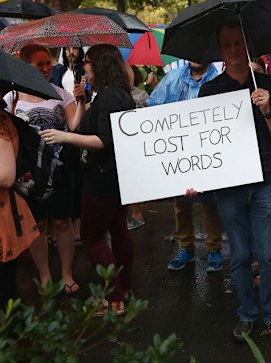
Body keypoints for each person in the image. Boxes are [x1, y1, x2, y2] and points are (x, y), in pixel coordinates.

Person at [196, 21, 271, 343]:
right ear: (221, 50)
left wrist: (266, 109)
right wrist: (194, 179)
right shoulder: (209, 90)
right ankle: (247, 315)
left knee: (268, 255)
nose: (234, 50)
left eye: (239, 43)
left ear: (248, 46)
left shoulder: (266, 84)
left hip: (264, 181)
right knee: (238, 256)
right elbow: (202, 144)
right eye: (227, 44)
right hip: (230, 187)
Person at [41, 44, 136, 315]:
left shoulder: (108, 98)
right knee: (119, 231)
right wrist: (83, 102)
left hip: (102, 179)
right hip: (118, 177)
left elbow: (103, 141)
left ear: (100, 66)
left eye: (89, 63)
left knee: (92, 236)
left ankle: (113, 298)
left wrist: (64, 137)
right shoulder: (117, 94)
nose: (84, 67)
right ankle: (124, 290)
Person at [4, 44, 86, 294]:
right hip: (28, 175)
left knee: (62, 223)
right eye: (39, 65)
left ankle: (67, 273)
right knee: (37, 225)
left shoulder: (62, 94)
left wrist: (81, 102)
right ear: (25, 67)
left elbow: (73, 126)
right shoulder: (11, 97)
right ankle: (45, 275)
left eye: (48, 63)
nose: (45, 69)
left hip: (60, 169)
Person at [147, 61, 224, 272]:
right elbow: (153, 107)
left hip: (209, 152)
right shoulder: (172, 79)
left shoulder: (219, 79)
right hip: (179, 153)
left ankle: (214, 249)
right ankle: (186, 248)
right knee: (181, 204)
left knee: (212, 203)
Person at [0, 103, 39, 308]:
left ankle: (18, 335)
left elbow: (6, 176)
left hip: (4, 216)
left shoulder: (1, 125)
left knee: (4, 290)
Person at [125, 65, 149, 230]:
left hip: (137, 144)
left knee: (133, 179)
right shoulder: (110, 95)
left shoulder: (142, 95)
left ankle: (136, 213)